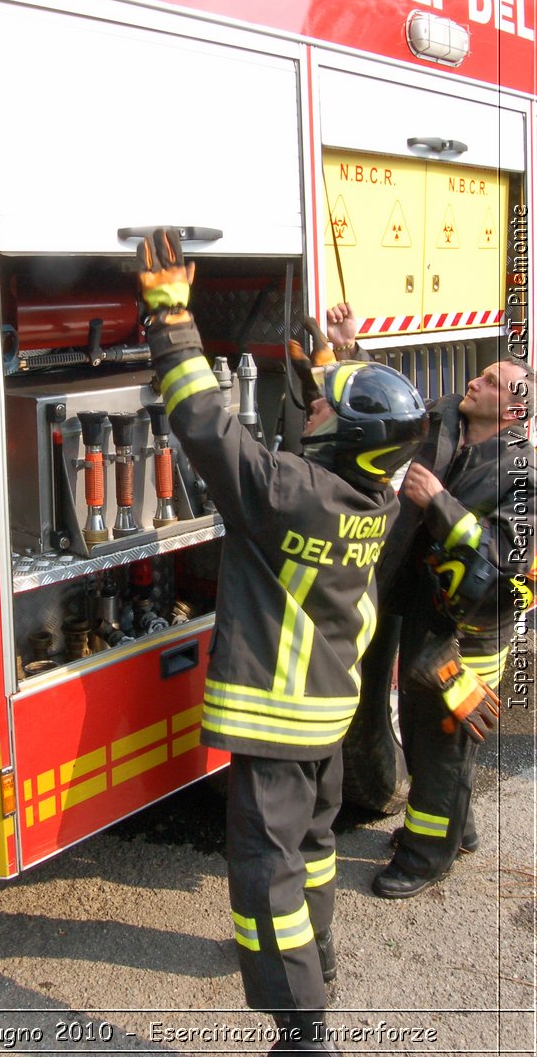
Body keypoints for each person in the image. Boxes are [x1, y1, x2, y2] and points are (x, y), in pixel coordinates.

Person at [137, 230, 427, 1054]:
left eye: (328, 404)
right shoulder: (372, 498)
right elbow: (332, 453)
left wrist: (170, 317)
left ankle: (302, 1028)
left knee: (265, 873)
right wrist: (326, 377)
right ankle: (321, 954)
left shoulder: (291, 493)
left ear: (342, 437)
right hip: (325, 715)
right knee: (313, 847)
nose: (319, 402)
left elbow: (202, 421)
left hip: (275, 721)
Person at [326, 301, 537, 899]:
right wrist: (350, 350)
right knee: (428, 741)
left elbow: (508, 566)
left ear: (515, 409)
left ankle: (425, 858)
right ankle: (456, 828)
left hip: (469, 637)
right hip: (420, 608)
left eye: (493, 382)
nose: (476, 380)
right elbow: (391, 414)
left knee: (440, 742)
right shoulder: (443, 421)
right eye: (482, 374)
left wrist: (442, 503)